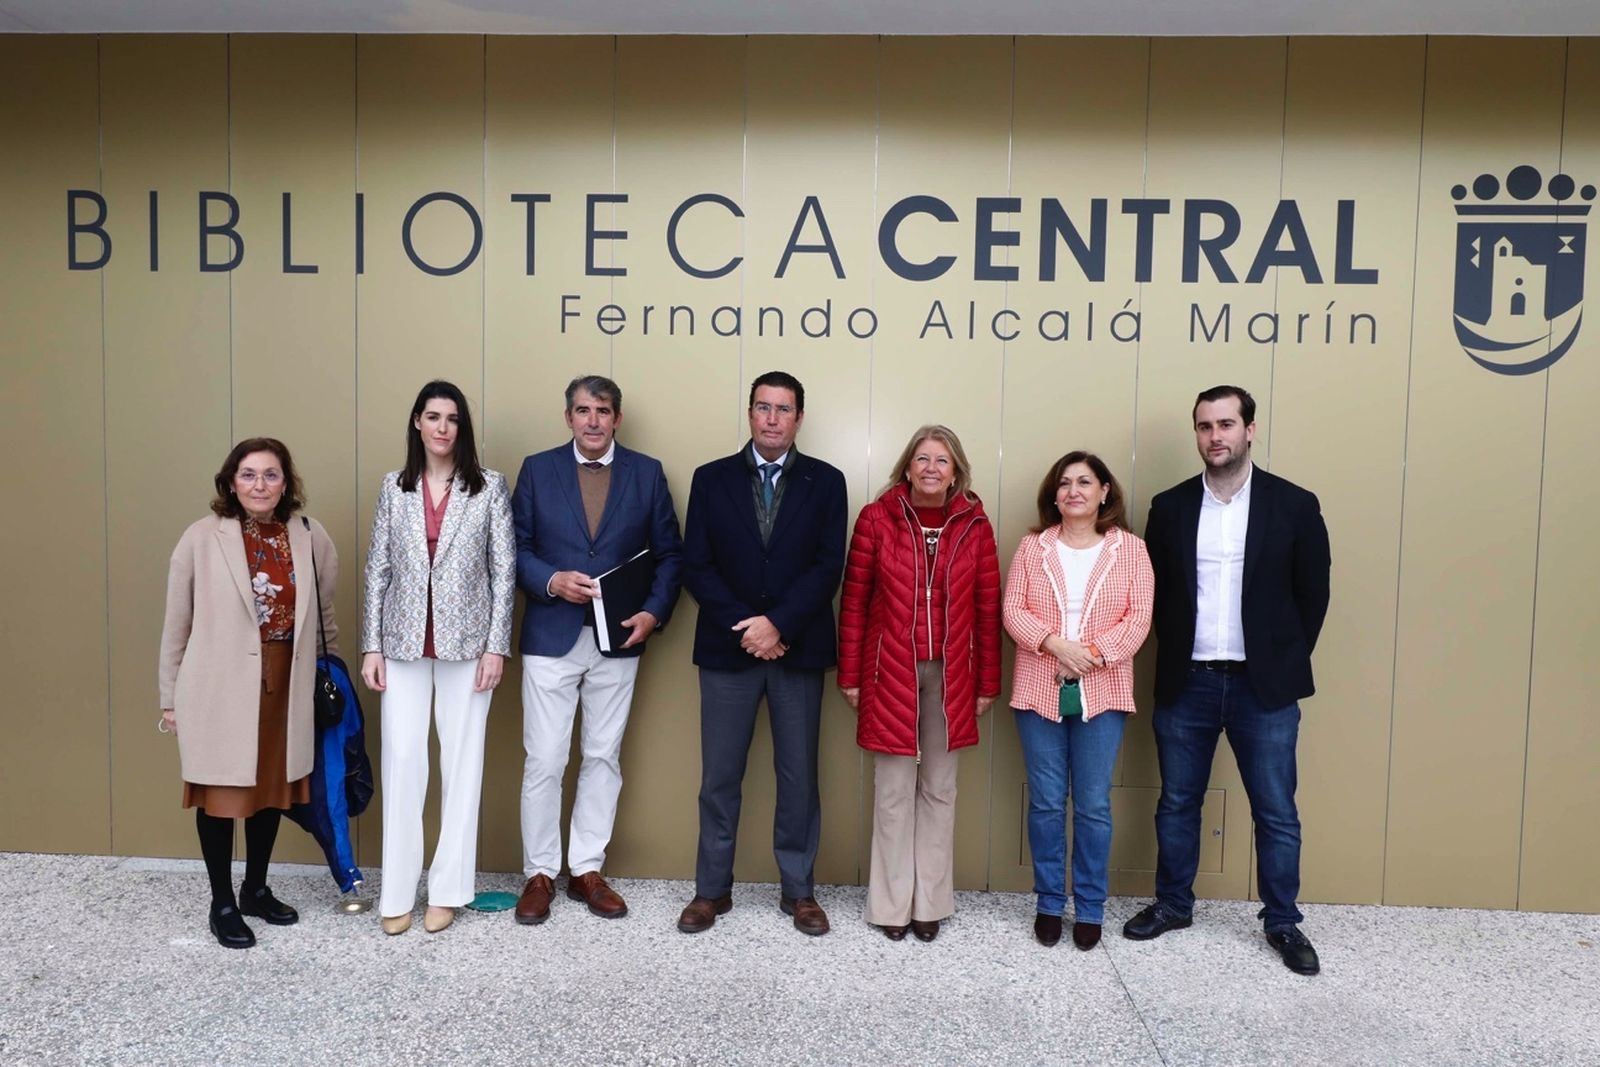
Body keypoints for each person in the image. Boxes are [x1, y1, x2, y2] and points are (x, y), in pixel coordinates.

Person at [1122, 385, 1331, 976]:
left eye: (1226, 424)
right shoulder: (1171, 506)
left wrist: (1278, 658)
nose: (1215, 436)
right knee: (1178, 802)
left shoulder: (1293, 504)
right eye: (1205, 426)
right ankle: (1173, 905)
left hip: (1262, 689)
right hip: (1187, 682)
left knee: (1275, 810)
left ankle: (1283, 922)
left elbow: (1313, 593)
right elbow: (1154, 594)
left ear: (1250, 430)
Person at [677, 371, 848, 936]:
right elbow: (696, 563)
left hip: (796, 651)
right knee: (719, 777)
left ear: (800, 418)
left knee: (799, 776)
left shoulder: (827, 482)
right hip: (729, 651)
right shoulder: (711, 479)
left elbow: (828, 565)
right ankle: (711, 891)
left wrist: (778, 625)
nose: (772, 418)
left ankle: (799, 892)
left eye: (783, 409)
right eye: (763, 407)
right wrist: (747, 627)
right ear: (749, 413)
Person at [510, 374, 683, 925]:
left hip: (619, 639)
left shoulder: (648, 473)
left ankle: (586, 869)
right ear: (568, 418)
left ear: (617, 418)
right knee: (545, 758)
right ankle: (539, 872)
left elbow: (671, 555)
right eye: (582, 410)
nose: (592, 420)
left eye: (602, 411)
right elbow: (515, 548)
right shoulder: (538, 470)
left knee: (603, 757)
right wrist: (551, 580)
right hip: (551, 634)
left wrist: (653, 613)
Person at [159, 437, 340, 949]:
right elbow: (177, 622)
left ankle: (256, 887)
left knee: (270, 791)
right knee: (220, 794)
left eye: (271, 474)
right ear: (230, 482)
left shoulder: (308, 535)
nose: (260, 485)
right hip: (218, 683)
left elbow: (324, 616)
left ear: (287, 482)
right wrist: (169, 698)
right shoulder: (201, 537)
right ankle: (222, 903)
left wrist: (335, 674)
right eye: (248, 474)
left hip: (289, 678)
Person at [361, 380, 515, 936]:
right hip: (402, 644)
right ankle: (397, 892)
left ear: (462, 427)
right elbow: (378, 568)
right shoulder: (393, 487)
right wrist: (371, 645)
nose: (442, 427)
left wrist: (497, 645)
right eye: (432, 416)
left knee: (462, 765)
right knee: (403, 762)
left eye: (452, 418)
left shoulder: (489, 487)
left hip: (468, 646)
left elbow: (504, 572)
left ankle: (447, 889)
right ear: (417, 424)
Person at [837, 425, 1000, 942]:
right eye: (922, 459)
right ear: (907, 467)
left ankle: (930, 901)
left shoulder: (974, 523)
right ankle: (890, 905)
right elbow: (855, 602)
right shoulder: (876, 519)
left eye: (943, 461)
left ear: (957, 471)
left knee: (940, 790)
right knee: (892, 792)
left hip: (954, 673)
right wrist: (851, 675)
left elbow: (988, 607)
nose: (932, 468)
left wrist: (987, 683)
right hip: (890, 672)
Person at [1003, 451, 1153, 951]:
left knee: (1092, 805)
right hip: (1038, 688)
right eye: (1065, 483)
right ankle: (1049, 902)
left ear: (1104, 491)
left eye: (1085, 482)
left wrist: (1088, 655)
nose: (1074, 491)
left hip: (1102, 691)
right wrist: (1054, 646)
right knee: (1046, 803)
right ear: (1054, 493)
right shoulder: (1032, 548)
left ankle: (1089, 907)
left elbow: (1137, 619)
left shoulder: (1130, 550)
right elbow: (1013, 610)